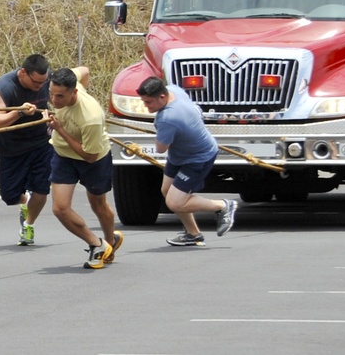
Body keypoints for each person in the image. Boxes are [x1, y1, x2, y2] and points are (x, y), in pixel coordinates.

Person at [136, 77, 238, 246]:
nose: (147, 108)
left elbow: (161, 148)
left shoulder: (167, 118)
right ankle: (193, 234)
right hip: (180, 155)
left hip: (198, 158)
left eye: (149, 103)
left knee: (174, 202)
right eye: (144, 102)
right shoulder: (173, 89)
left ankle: (223, 206)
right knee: (167, 190)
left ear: (162, 97)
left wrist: (161, 131)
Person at [46, 67, 123, 269]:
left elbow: (90, 156)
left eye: (60, 96)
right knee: (60, 209)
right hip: (63, 156)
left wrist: (60, 130)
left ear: (74, 92)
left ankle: (110, 242)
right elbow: (85, 71)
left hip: (94, 158)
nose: (54, 100)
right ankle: (96, 244)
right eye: (51, 94)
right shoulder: (69, 81)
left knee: (98, 205)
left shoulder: (90, 118)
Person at [0, 53, 52, 246]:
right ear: (23, 73)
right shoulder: (4, 88)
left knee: (42, 188)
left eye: (43, 82)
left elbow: (81, 73)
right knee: (10, 196)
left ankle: (28, 226)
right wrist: (18, 112)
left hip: (39, 142)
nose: (40, 87)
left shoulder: (47, 78)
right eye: (36, 83)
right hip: (12, 147)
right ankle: (25, 200)